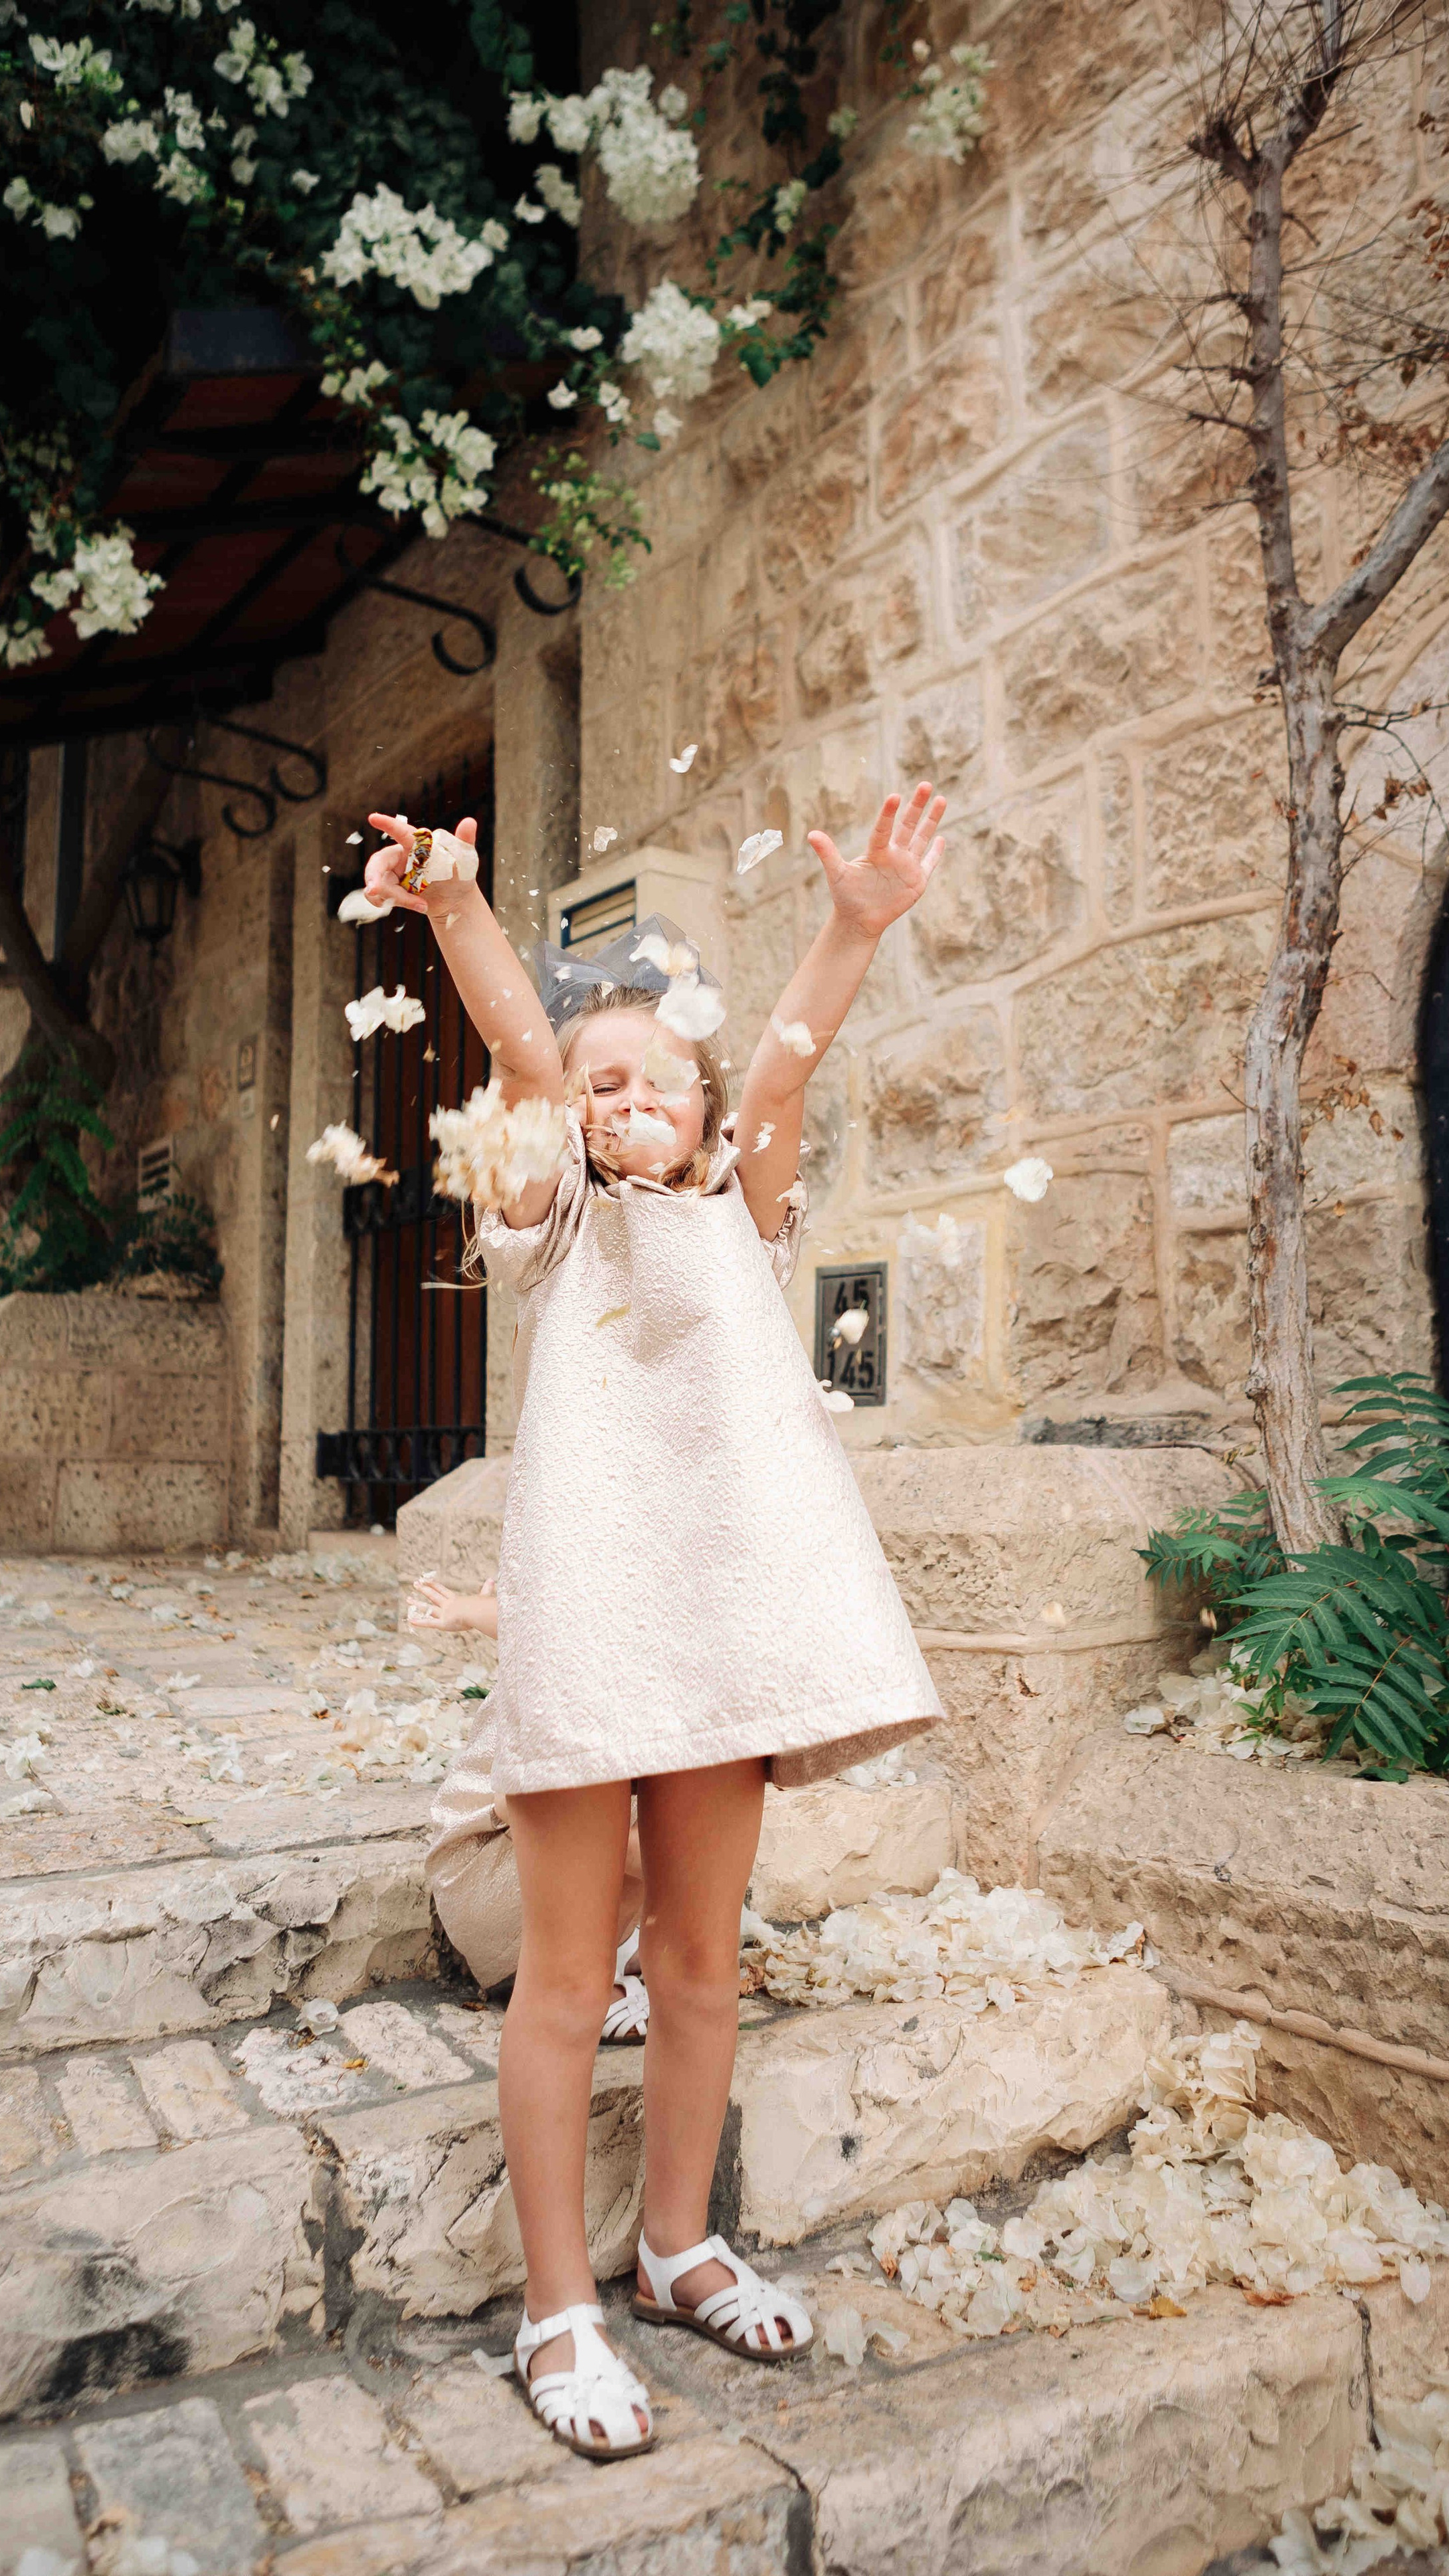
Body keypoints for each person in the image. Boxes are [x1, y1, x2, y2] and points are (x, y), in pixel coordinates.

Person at [361, 784, 946, 2461]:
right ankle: (559, 2305)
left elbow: (781, 1066)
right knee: (568, 1976)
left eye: (651, 1078)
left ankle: (676, 2237)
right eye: (597, 1079)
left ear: (692, 1112)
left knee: (696, 1961)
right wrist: (462, 911)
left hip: (732, 1630)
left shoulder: (744, 1217)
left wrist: (850, 924)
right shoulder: (553, 1230)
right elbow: (527, 1063)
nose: (623, 1097)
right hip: (598, 1622)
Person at [414, 1574, 647, 2043]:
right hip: (490, 1866)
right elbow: (519, 1805)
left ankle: (635, 1955)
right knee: (665, 1841)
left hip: (536, 1856)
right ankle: (590, 1984)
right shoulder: (573, 1668)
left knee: (675, 1820)